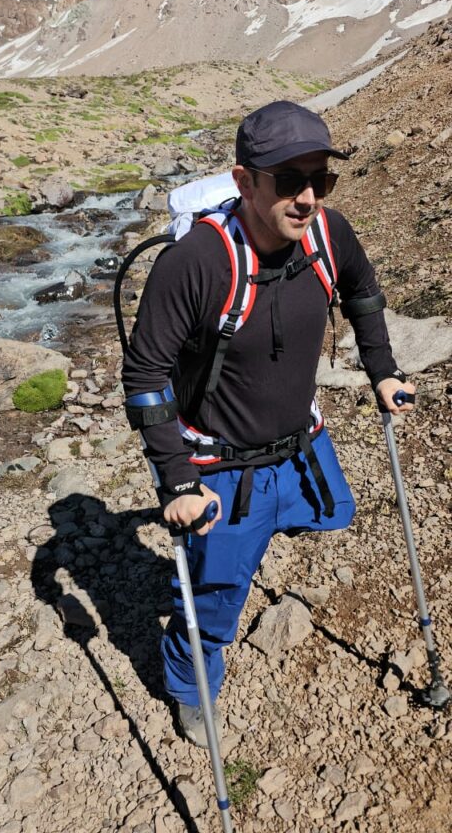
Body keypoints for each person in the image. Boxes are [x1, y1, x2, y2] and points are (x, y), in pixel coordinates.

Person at [121, 100, 415, 746]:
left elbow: (363, 293)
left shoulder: (328, 234)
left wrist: (383, 370)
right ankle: (189, 685)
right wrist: (176, 483)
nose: (308, 197)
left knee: (335, 511)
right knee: (215, 601)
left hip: (302, 440)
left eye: (321, 180)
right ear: (244, 180)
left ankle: (246, 541)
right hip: (222, 467)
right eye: (288, 180)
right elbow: (144, 380)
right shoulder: (196, 263)